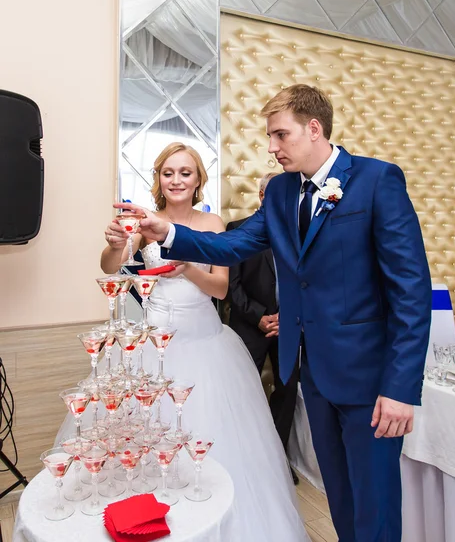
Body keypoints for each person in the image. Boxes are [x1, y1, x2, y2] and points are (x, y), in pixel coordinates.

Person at [116, 85, 432, 542]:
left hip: (369, 379)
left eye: (280, 135)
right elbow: (233, 245)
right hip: (313, 374)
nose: (271, 148)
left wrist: (401, 388)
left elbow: (411, 292)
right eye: (270, 137)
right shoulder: (282, 192)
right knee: (339, 497)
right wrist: (168, 231)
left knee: (375, 502)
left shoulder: (377, 180)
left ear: (314, 128)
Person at [103, 142, 310, 542]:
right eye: (168, 172)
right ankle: (146, 519)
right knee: (144, 437)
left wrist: (185, 269)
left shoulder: (213, 224)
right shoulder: (146, 221)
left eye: (185, 172)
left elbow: (219, 289)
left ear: (198, 180)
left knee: (211, 442)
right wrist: (115, 245)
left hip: (204, 343)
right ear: (158, 179)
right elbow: (110, 270)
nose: (176, 180)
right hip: (152, 345)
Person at [226, 173, 299, 484]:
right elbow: (231, 285)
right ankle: (241, 457)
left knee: (287, 392)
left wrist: (289, 317)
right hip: (248, 326)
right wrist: (259, 317)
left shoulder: (302, 232)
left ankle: (275, 458)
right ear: (261, 196)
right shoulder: (236, 230)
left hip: (289, 327)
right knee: (243, 393)